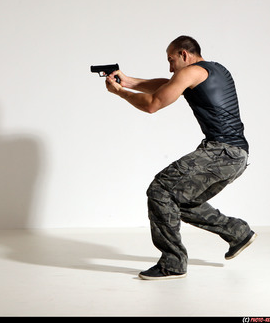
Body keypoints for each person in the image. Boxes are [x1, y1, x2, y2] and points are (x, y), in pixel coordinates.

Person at [104, 35, 256, 280]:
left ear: (184, 54)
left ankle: (172, 263)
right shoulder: (215, 70)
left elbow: (153, 104)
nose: (170, 67)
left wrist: (121, 92)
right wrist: (129, 80)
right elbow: (167, 85)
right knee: (181, 201)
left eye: (171, 60)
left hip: (221, 152)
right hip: (237, 155)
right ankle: (238, 232)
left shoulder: (191, 72)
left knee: (160, 190)